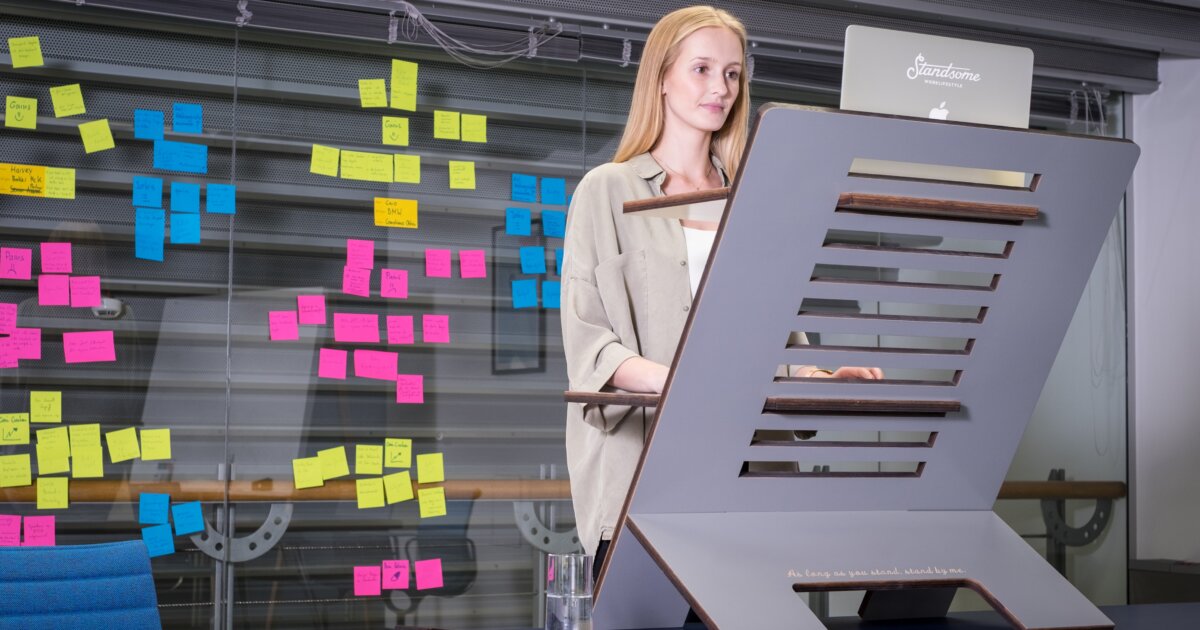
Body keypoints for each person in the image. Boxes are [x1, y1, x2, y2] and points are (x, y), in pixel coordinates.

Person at [560, 5, 883, 575]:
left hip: (752, 482)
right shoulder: (606, 191)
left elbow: (781, 343)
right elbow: (592, 347)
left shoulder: (753, 199)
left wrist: (821, 381)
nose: (722, 88)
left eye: (733, 73)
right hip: (645, 481)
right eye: (702, 69)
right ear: (661, 78)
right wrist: (694, 385)